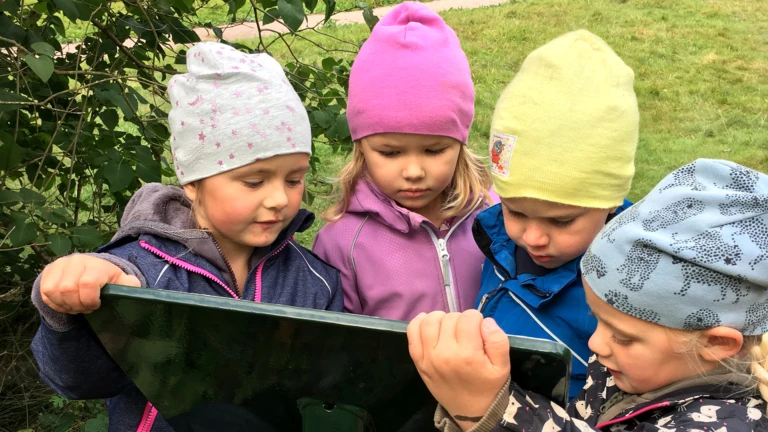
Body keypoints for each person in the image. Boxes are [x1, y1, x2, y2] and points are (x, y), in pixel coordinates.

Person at [30, 42, 342, 432]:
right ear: (193, 183)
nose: (279, 198)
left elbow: (330, 395)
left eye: (294, 179)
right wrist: (67, 312)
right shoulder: (139, 274)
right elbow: (77, 382)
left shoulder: (315, 282)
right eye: (253, 181)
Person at [409, 158, 768, 432]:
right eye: (598, 320)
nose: (596, 344)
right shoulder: (623, 367)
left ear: (718, 343)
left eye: (624, 336)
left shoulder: (730, 423)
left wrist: (490, 407)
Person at [472, 30, 637, 399]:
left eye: (561, 221)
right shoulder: (496, 238)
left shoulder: (632, 287)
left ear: (610, 201)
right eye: (515, 210)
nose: (532, 238)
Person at [313, 2, 491, 321]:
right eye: (390, 153)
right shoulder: (341, 244)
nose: (413, 172)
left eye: (434, 150)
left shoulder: (496, 218)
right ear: (361, 147)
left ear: (461, 143)